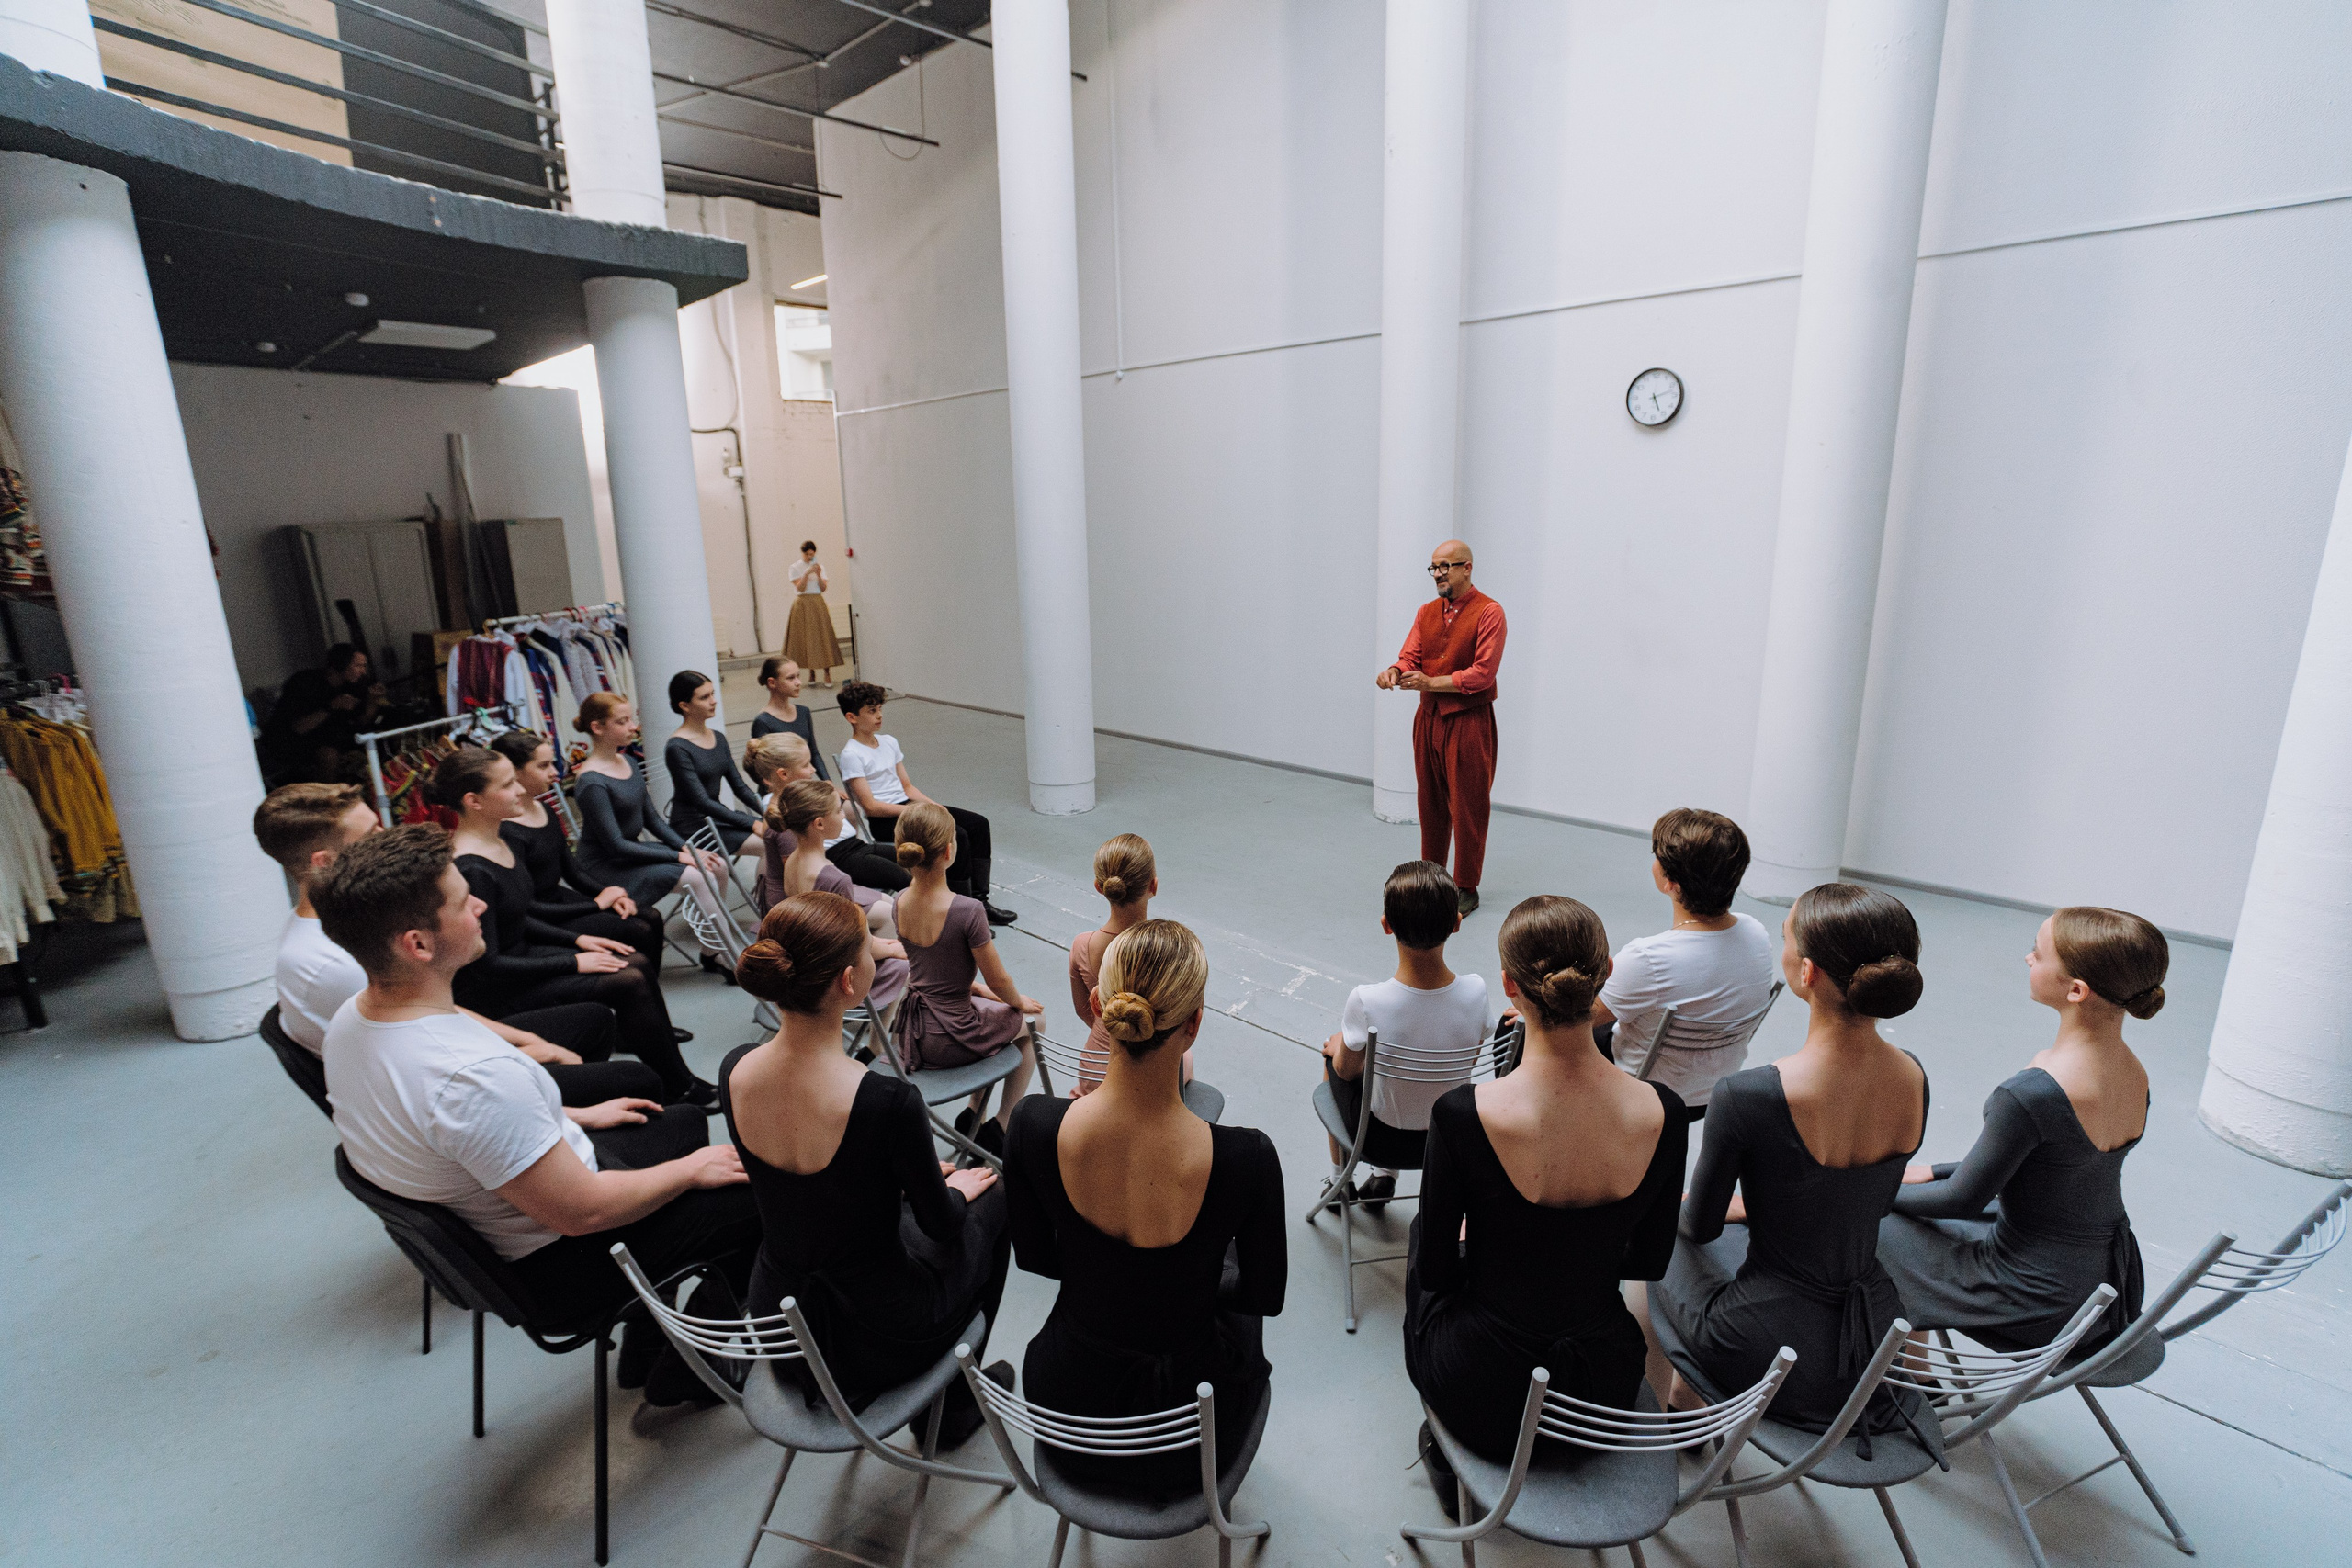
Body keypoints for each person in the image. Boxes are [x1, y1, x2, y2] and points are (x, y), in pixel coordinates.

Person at [312, 825, 758, 1401]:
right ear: (417, 944)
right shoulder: (471, 1078)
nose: (478, 904)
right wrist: (691, 1170)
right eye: (460, 902)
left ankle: (658, 1336)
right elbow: (583, 1213)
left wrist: (571, 1115)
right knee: (768, 1192)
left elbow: (462, 1127)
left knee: (675, 1121)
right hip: (567, 1260)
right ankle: (690, 1369)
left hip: (514, 1222)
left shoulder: (355, 1018)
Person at [1407, 896, 1685, 1484]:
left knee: (1419, 1237)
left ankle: (1446, 1445)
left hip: (1484, 1389)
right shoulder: (1664, 1112)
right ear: (1606, 971)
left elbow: (1435, 1270)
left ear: (1510, 987)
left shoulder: (1463, 1115)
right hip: (1600, 1393)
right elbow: (1649, 1261)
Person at [1004, 920, 1286, 1496]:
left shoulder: (1032, 1126)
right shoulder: (1245, 1158)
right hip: (1192, 1434)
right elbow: (1264, 1297)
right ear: (1194, 1027)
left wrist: (1113, 1276)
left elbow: (1034, 1259)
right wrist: (1194, 1276)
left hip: (1069, 1417)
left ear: (1096, 1006)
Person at [719, 892, 1013, 1443]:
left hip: (781, 1329)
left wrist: (909, 1181)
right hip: (877, 1334)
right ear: (850, 983)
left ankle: (951, 1397)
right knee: (995, 1198)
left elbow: (820, 1191)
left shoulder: (735, 1069)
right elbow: (941, 1225)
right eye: (870, 952)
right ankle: (949, 1406)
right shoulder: (884, 1102)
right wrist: (958, 1191)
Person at [1644, 884, 1930, 1443]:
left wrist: (1692, 1206)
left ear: (1807, 973)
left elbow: (1699, 1226)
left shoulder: (1752, 1095)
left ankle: (1675, 1418)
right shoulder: (1913, 1076)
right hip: (1868, 1341)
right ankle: (1683, 1399)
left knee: (1658, 1237)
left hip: (1768, 1348)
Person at [252, 782, 648, 1103]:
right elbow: (422, 1060)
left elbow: (434, 1009)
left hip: (434, 1041)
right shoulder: (334, 963)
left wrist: (526, 1039)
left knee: (593, 1020)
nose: (385, 835)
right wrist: (527, 1053)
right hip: (426, 1086)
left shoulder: (344, 919)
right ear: (324, 862)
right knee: (637, 1080)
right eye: (372, 832)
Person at [1878, 908, 2159, 1353]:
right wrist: (1933, 1170)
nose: (2028, 959)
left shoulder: (2036, 1092)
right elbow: (2055, 1157)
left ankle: (1902, 1371)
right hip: (2102, 1282)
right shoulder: (2133, 1072)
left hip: (2035, 1297)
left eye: (2038, 953)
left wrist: (1857, 1191)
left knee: (1869, 1228)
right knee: (1913, 1218)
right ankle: (1916, 1366)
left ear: (2077, 990)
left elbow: (1960, 1200)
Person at [432, 749, 713, 1107]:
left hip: (523, 960)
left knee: (635, 962)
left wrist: (580, 939)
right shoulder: (472, 866)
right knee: (626, 978)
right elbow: (489, 964)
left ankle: (677, 1077)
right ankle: (680, 1086)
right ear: (474, 801)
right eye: (507, 785)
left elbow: (519, 917)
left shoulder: (497, 840)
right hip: (499, 989)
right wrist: (575, 961)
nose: (520, 789)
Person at [1319, 861, 1488, 1212]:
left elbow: (1347, 1073)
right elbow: (1469, 1059)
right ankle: (1384, 1177)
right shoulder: (1477, 991)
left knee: (1333, 1055)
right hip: (1448, 1137)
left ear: (1386, 926)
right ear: (1457, 924)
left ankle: (1340, 1183)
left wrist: (1339, 1048)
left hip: (1380, 1139)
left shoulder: (1367, 1001)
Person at [1588, 808, 1778, 1120]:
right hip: (1713, 1092)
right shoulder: (1756, 932)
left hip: (1650, 1094)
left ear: (1671, 884)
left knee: (1525, 1028)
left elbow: (1583, 1019)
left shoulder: (1648, 958)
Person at [890, 804, 1039, 1157]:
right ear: (949, 851)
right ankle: (1000, 1125)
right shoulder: (966, 910)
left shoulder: (898, 902)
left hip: (913, 1033)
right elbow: (998, 978)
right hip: (952, 1035)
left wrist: (987, 993)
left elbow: (934, 971)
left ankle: (975, 1112)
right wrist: (1018, 1002)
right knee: (1034, 1023)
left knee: (988, 1008)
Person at [1375, 540, 1505, 916]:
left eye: (1446, 566)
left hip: (1468, 721)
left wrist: (1430, 682)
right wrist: (1394, 672)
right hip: (1428, 720)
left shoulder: (1489, 612)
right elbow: (1410, 655)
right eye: (1434, 567)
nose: (1439, 574)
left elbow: (1482, 674)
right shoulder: (1426, 612)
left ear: (1468, 567)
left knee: (1468, 806)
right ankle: (1433, 876)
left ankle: (1466, 887)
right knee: (1429, 803)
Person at [487, 729, 670, 984]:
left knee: (649, 915)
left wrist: (611, 894)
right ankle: (636, 985)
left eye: (553, 763)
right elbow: (528, 906)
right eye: (544, 766)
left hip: (561, 902)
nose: (556, 773)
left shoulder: (546, 809)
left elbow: (573, 871)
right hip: (543, 917)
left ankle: (646, 987)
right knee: (638, 929)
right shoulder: (507, 830)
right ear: (515, 772)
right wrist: (596, 904)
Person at [837, 682, 1016, 924]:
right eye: (871, 711)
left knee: (978, 824)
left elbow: (907, 787)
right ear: (852, 717)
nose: (879, 716)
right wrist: (917, 810)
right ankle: (961, 913)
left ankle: (979, 901)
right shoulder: (852, 754)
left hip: (909, 806)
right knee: (957, 835)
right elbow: (870, 806)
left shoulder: (889, 741)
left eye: (880, 709)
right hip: (885, 820)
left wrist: (934, 807)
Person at [569, 693, 730, 919]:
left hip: (629, 853)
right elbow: (615, 844)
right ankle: (716, 951)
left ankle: (713, 938)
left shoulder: (630, 762)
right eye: (622, 721)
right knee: (698, 876)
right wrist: (677, 857)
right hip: (606, 865)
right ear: (597, 727)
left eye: (630, 719)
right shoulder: (591, 782)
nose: (633, 727)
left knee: (716, 864)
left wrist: (686, 849)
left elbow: (652, 819)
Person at [1066, 834, 1194, 1092]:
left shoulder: (1082, 945)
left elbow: (1083, 1011)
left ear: (1099, 887)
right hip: (1146, 1076)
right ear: (1153, 886)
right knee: (1186, 1060)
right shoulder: (1169, 952)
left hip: (1094, 1068)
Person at [750, 731, 907, 902]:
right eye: (806, 765)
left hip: (850, 849)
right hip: (824, 878)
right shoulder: (785, 815)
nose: (813, 769)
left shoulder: (799, 798)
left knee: (911, 858)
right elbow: (798, 882)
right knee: (897, 883)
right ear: (783, 774)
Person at [661, 670, 764, 857]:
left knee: (778, 836)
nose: (713, 701)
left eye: (712, 694)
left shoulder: (718, 738)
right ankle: (769, 887)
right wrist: (752, 823)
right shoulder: (677, 748)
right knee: (768, 844)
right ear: (685, 706)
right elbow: (701, 801)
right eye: (704, 697)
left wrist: (768, 812)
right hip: (692, 826)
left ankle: (769, 886)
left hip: (716, 818)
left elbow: (740, 788)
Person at [259, 643, 384, 784]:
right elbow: (297, 728)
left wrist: (372, 701)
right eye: (358, 666)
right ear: (340, 664)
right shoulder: (305, 683)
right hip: (289, 741)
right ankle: (328, 800)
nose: (363, 671)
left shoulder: (354, 684)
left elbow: (362, 720)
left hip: (330, 736)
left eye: (364, 666)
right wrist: (332, 706)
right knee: (328, 755)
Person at [748, 656, 829, 782]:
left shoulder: (803, 712)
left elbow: (813, 752)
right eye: (791, 678)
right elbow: (761, 767)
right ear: (772, 683)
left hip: (802, 782)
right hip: (781, 788)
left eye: (798, 676)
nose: (798, 682)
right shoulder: (763, 721)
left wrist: (828, 781)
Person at [786, 541, 842, 686]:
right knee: (806, 638)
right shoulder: (795, 567)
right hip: (803, 603)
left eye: (812, 554)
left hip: (817, 602)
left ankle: (827, 673)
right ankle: (811, 673)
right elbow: (800, 588)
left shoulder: (820, 567)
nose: (810, 557)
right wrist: (806, 573)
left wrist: (817, 574)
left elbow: (823, 588)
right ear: (802, 553)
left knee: (822, 636)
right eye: (807, 554)